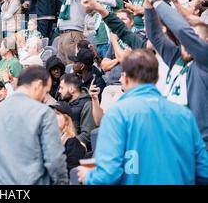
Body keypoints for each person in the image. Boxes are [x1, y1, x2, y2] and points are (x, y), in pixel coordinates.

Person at [78, 49, 208, 185]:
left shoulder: (117, 115)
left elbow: (108, 175)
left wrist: (89, 176)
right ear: (157, 78)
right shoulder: (184, 115)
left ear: (125, 78)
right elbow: (203, 171)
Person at [131, 0, 208, 146]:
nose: (185, 43)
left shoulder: (204, 60)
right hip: (173, 138)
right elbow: (155, 35)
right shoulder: (178, 58)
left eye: (192, 39)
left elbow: (181, 29)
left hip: (199, 144)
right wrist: (148, 1)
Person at [0, 65, 69, 185]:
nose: (44, 97)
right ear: (37, 85)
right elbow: (55, 161)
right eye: (46, 92)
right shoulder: (43, 113)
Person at [58, 73, 96, 150]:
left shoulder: (87, 104)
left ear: (71, 89)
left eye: (62, 88)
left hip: (78, 151)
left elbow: (87, 135)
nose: (59, 91)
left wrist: (67, 143)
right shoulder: (64, 102)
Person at [50, 102, 86, 171]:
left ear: (66, 120)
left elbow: (72, 173)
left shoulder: (72, 143)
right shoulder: (48, 142)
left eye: (57, 114)